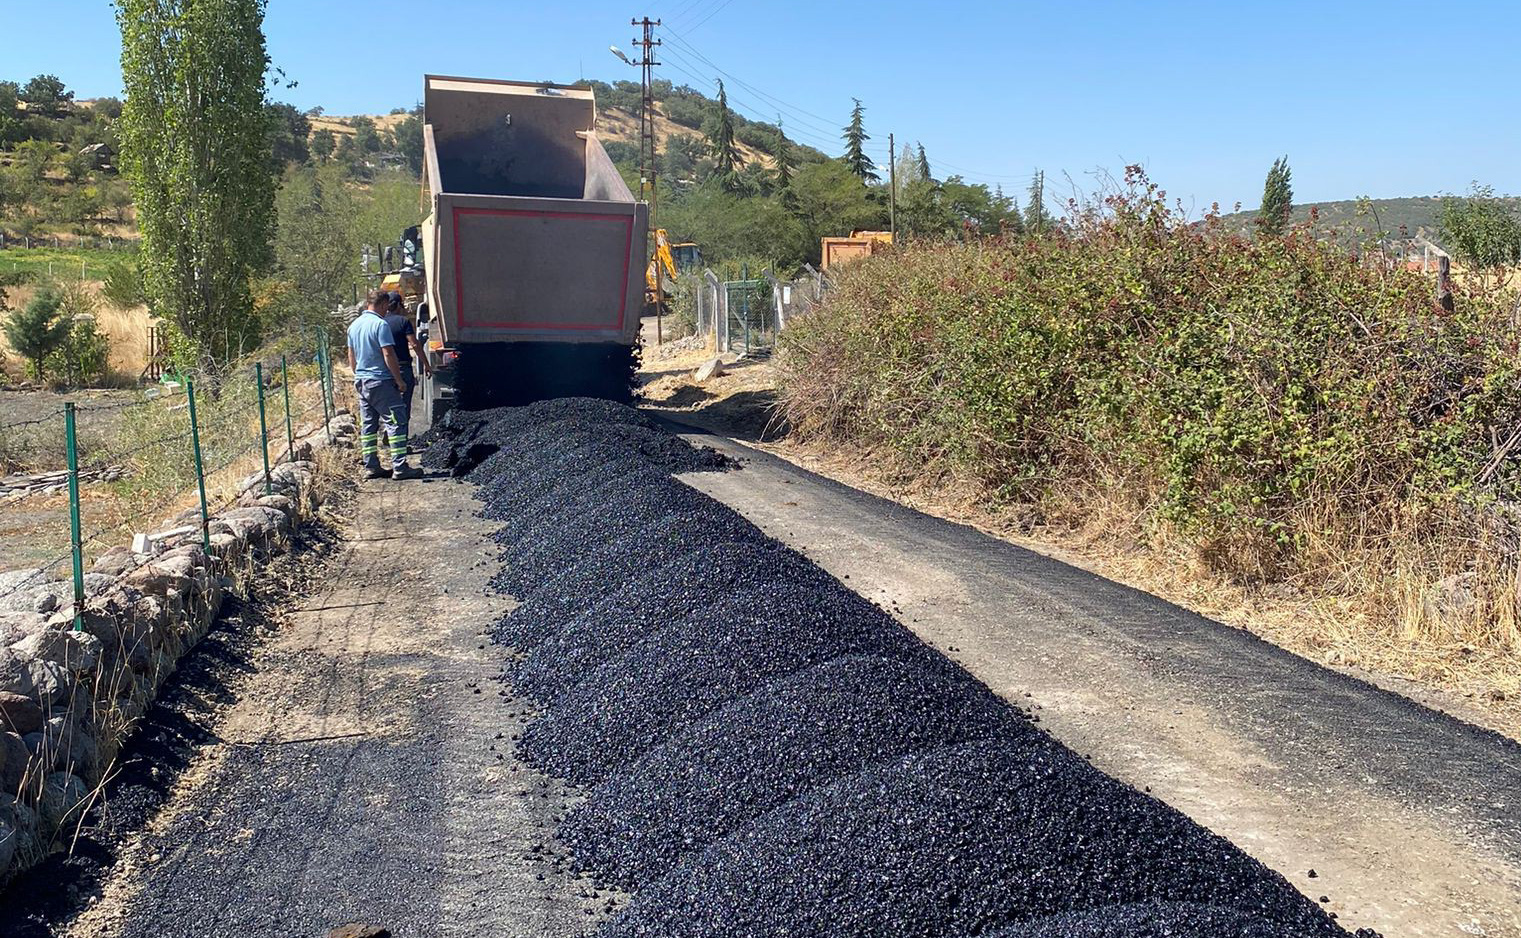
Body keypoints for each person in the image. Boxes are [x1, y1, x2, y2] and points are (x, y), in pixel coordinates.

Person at [346, 289, 421, 480]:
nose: (387, 311)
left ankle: (371, 465)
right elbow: (388, 354)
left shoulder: (353, 326)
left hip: (362, 381)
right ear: (381, 304)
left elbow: (351, 357)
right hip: (381, 381)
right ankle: (400, 467)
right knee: (397, 421)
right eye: (386, 307)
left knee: (369, 425)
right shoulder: (380, 325)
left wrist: (359, 375)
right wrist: (399, 380)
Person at [383, 291, 430, 450]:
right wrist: (425, 364)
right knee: (404, 406)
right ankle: (401, 441)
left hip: (385, 370)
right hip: (403, 368)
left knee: (390, 405)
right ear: (398, 305)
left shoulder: (380, 322)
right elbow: (415, 344)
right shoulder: (402, 322)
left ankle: (389, 433)